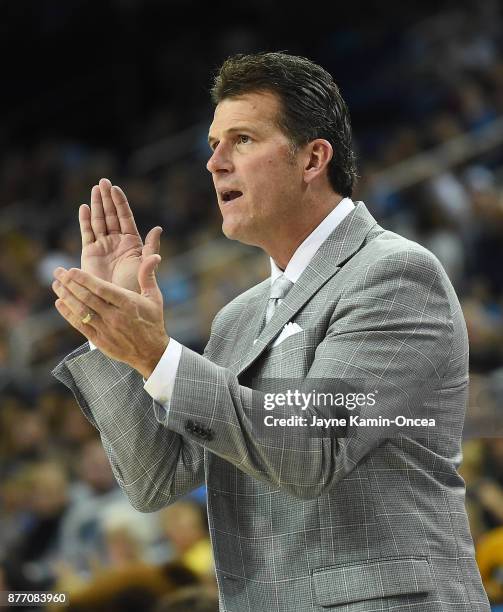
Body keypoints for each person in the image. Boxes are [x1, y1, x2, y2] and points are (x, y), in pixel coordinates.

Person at [51, 52, 490, 611]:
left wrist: (157, 353)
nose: (214, 163)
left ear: (312, 159)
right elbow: (154, 481)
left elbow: (312, 450)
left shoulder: (393, 275)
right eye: (213, 144)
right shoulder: (237, 317)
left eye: (242, 140)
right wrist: (115, 340)